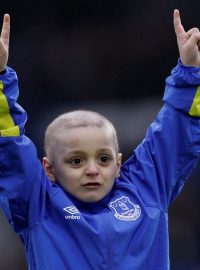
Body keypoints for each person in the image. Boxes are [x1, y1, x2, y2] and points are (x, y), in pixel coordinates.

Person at [0, 9, 200, 270]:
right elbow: (9, 145)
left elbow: (176, 133)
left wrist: (190, 72)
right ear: (49, 169)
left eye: (103, 159)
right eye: (76, 161)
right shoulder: (37, 204)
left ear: (118, 164)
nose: (92, 169)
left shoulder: (145, 190)